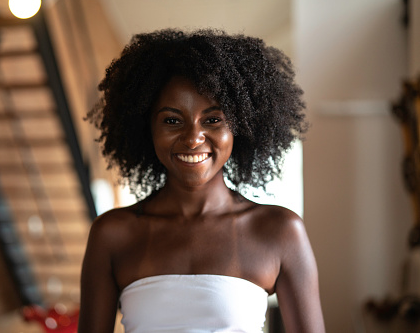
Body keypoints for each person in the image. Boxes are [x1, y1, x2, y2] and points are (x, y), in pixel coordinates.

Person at [78, 29, 325, 333]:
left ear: (241, 126)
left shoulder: (278, 231)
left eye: (213, 119)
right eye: (172, 120)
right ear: (146, 128)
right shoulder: (113, 234)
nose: (193, 138)